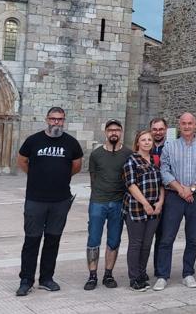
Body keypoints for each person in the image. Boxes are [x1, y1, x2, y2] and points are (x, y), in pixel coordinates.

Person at [15, 107, 84, 296]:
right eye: (53, 119)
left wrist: (60, 177)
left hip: (60, 200)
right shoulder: (33, 141)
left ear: (64, 120)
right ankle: (26, 280)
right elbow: (22, 161)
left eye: (60, 119)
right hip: (35, 200)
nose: (56, 122)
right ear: (47, 119)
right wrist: (37, 176)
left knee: (53, 240)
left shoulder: (71, 143)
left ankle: (46, 278)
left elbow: (76, 166)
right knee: (32, 240)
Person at [154, 112, 196, 291]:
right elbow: (164, 170)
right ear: (180, 126)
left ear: (195, 125)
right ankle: (163, 275)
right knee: (167, 237)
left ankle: (188, 273)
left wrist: (191, 189)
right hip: (174, 197)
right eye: (184, 124)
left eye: (190, 123)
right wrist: (181, 190)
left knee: (192, 238)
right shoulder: (170, 147)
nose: (187, 126)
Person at [84, 119, 133, 290]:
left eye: (117, 130)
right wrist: (98, 194)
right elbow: (93, 178)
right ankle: (92, 275)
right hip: (98, 201)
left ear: (121, 132)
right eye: (111, 130)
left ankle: (108, 274)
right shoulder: (96, 154)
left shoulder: (128, 153)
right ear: (106, 132)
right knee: (93, 239)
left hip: (119, 202)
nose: (114, 133)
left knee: (114, 240)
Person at [123, 130, 164, 292]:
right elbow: (131, 184)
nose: (147, 142)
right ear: (137, 143)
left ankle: (141, 273)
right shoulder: (131, 161)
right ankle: (134, 278)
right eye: (143, 140)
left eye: (149, 140)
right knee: (136, 243)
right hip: (136, 208)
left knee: (147, 244)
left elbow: (161, 183)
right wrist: (145, 203)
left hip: (154, 210)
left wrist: (160, 202)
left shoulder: (155, 160)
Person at [148, 117, 168, 277]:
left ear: (166, 130)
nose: (158, 132)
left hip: (167, 197)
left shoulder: (171, 147)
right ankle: (140, 270)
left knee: (163, 236)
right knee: (145, 237)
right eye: (155, 129)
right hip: (146, 198)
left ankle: (159, 270)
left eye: (160, 129)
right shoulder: (144, 146)